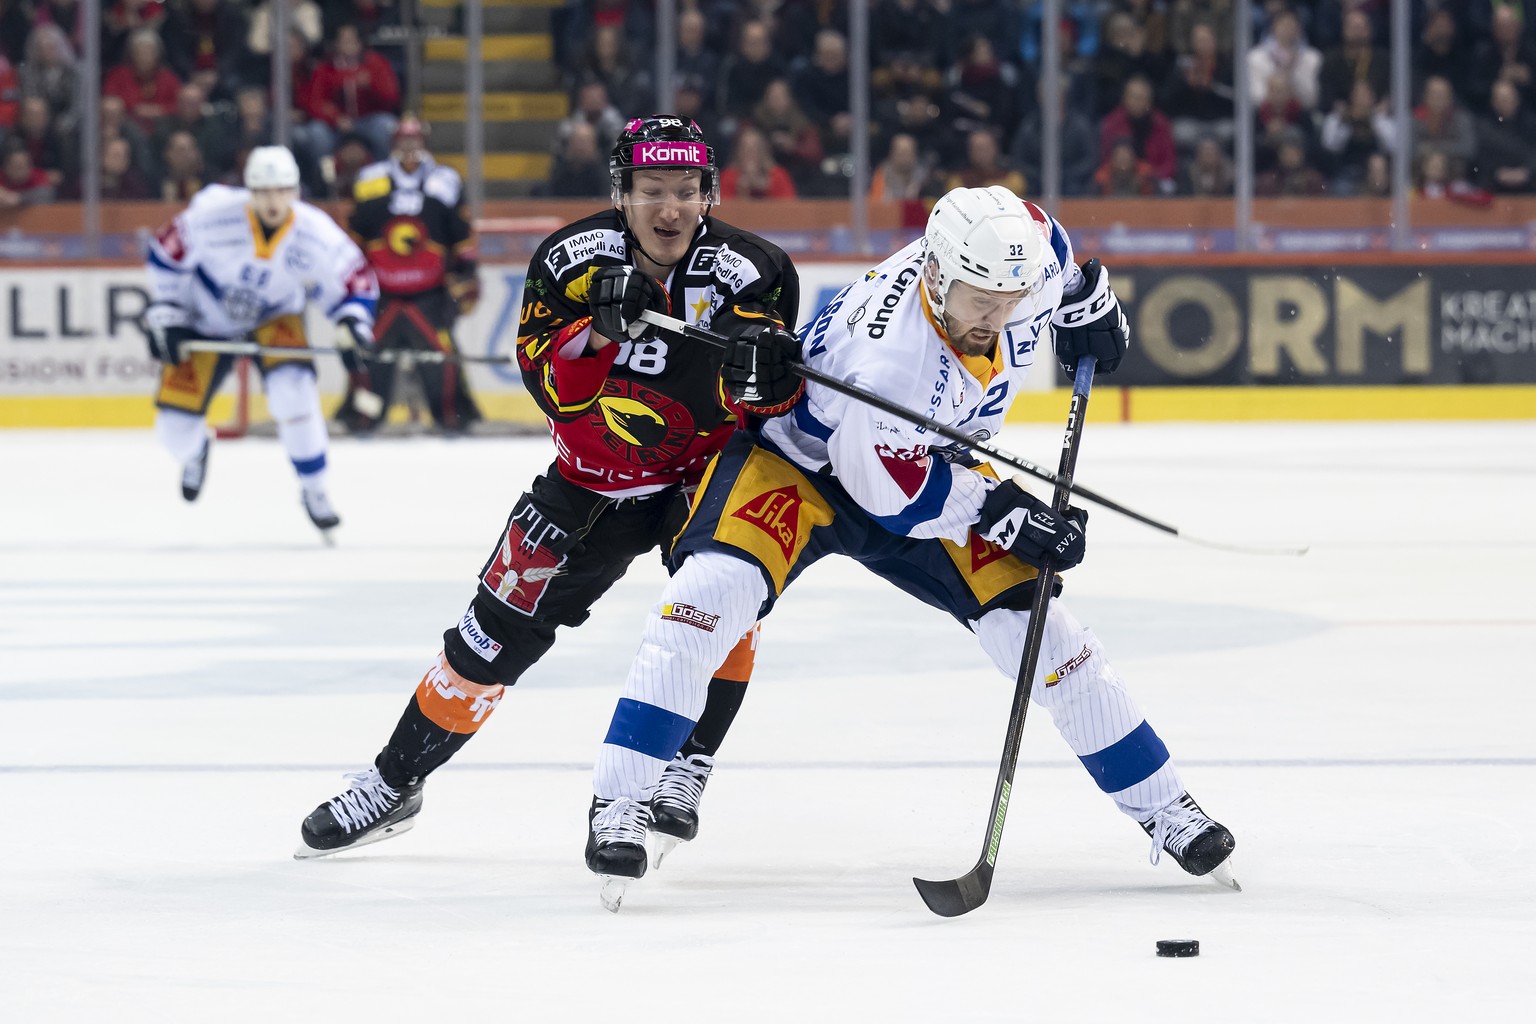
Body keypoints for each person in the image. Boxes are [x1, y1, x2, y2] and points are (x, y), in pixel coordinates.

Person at [585, 185, 1239, 903]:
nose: (994, 316)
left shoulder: (1032, 258)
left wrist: (1089, 304)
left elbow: (1064, 263)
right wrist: (1008, 513)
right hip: (806, 466)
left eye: (1010, 297)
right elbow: (889, 493)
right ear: (935, 276)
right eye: (977, 298)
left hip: (930, 463)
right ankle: (618, 803)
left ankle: (1166, 808)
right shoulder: (888, 356)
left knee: (1045, 635)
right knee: (704, 600)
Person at [293, 116, 803, 861]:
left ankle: (685, 763)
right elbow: (552, 391)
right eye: (652, 191)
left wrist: (768, 376)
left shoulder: (753, 269)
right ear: (621, 194)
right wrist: (598, 335)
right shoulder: (569, 261)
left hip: (705, 480)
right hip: (588, 481)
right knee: (486, 636)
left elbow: (769, 406)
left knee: (722, 604)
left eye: (687, 192)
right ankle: (394, 780)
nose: (670, 210)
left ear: (709, 193)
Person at [142, 145, 379, 533]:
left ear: (296, 190)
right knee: (174, 433)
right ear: (249, 191)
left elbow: (357, 281)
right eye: (264, 191)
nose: (274, 201)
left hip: (275, 317)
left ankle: (314, 488)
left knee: (294, 392)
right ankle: (196, 450)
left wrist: (352, 324)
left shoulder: (314, 231)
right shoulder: (210, 216)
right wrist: (167, 314)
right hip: (205, 317)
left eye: (283, 190)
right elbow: (164, 255)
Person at [333, 117, 482, 434]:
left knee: (441, 359)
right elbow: (354, 239)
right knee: (369, 359)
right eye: (403, 142)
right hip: (381, 295)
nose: (409, 149)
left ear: (424, 143)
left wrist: (466, 275)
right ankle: (362, 417)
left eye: (415, 142)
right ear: (393, 144)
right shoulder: (370, 181)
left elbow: (462, 236)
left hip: (429, 296)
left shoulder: (446, 181)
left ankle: (453, 418)